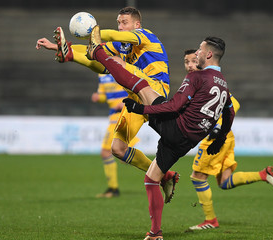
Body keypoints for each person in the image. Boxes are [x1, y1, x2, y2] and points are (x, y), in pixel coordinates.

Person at [87, 26, 235, 240]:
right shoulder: (224, 87)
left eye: (200, 51)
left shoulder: (197, 77)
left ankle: (98, 52)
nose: (197, 54)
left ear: (209, 54)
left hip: (175, 127)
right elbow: (229, 113)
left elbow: (174, 106)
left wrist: (141, 109)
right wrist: (219, 139)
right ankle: (155, 234)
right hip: (187, 143)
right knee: (151, 178)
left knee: (141, 86)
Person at [36, 7, 179, 203]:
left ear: (137, 25)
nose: (120, 27)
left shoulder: (146, 36)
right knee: (117, 149)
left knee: (114, 62)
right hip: (135, 99)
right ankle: (165, 176)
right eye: (118, 22)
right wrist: (64, 50)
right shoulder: (121, 46)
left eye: (124, 23)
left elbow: (108, 39)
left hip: (154, 89)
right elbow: (97, 60)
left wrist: (94, 33)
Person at [182, 50, 273, 231]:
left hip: (215, 139)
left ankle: (210, 220)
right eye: (186, 62)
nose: (189, 65)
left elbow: (234, 103)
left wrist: (217, 127)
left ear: (200, 61)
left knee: (198, 177)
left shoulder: (205, 80)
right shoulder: (201, 80)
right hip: (226, 137)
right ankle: (263, 174)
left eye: (193, 61)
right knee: (224, 182)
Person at [91, 74, 139, 198]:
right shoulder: (101, 73)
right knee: (121, 155)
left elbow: (135, 87)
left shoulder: (120, 66)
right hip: (113, 115)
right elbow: (105, 96)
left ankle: (113, 189)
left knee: (106, 152)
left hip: (123, 114)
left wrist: (127, 103)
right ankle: (161, 175)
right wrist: (99, 97)